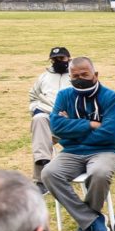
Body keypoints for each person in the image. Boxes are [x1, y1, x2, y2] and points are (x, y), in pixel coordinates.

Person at [42, 57, 115, 231]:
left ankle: (88, 217)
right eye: (75, 75)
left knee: (100, 172)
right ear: (70, 77)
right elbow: (56, 127)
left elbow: (110, 134)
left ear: (95, 75)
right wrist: (90, 124)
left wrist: (71, 128)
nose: (80, 78)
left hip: (107, 150)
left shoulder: (112, 98)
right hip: (72, 152)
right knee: (49, 173)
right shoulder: (64, 96)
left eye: (84, 74)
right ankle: (91, 219)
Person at [28, 46, 73, 193]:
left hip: (72, 121)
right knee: (39, 119)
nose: (58, 61)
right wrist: (35, 109)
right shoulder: (44, 77)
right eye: (54, 59)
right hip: (49, 119)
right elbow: (33, 96)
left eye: (61, 58)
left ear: (69, 59)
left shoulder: (77, 74)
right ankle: (43, 174)